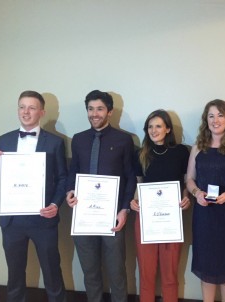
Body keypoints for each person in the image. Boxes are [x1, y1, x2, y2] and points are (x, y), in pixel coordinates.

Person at [0, 90, 68, 302]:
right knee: (14, 276)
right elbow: (0, 180)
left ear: (41, 112)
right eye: (22, 106)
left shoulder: (55, 143)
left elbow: (62, 179)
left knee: (52, 274)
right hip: (12, 221)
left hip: (44, 218)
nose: (26, 111)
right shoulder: (4, 139)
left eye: (31, 107)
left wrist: (55, 204)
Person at [66, 90, 136, 302]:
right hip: (83, 216)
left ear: (110, 112)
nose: (94, 114)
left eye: (99, 109)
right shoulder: (78, 139)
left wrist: (124, 210)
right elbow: (73, 172)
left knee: (116, 272)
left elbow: (130, 177)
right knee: (90, 271)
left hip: (113, 217)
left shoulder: (124, 140)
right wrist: (70, 191)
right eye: (90, 109)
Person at [186, 99, 225, 302]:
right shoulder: (198, 147)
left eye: (220, 115)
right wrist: (196, 193)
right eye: (211, 116)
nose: (215, 120)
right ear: (206, 120)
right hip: (204, 216)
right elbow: (189, 179)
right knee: (206, 267)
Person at [130, 109, 190, 302]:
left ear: (167, 129)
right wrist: (134, 201)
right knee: (146, 273)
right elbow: (139, 184)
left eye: (158, 126)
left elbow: (187, 182)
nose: (153, 130)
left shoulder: (181, 152)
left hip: (171, 219)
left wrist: (186, 197)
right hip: (145, 219)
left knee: (170, 273)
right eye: (150, 127)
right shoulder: (140, 154)